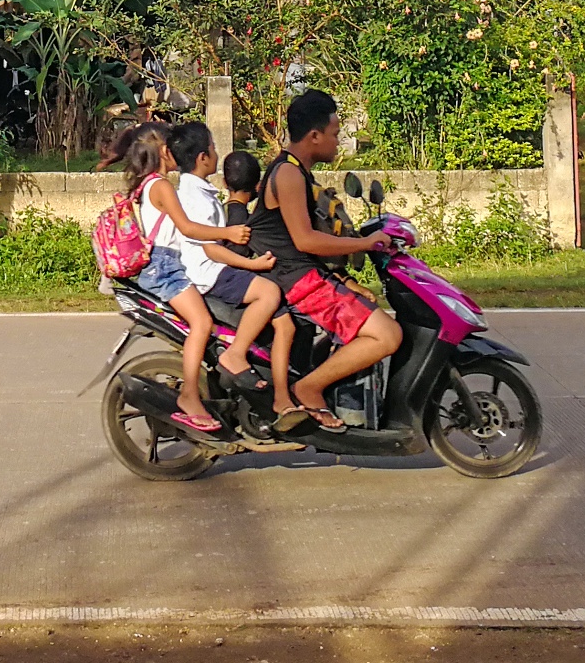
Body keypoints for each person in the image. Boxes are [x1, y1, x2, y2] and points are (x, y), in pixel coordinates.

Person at [250, 88, 402, 434]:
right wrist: (364, 242)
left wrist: (347, 280)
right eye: (334, 134)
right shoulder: (288, 175)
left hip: (304, 272)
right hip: (297, 279)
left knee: (368, 311)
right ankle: (309, 388)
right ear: (314, 135)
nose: (337, 142)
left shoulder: (297, 171)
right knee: (386, 335)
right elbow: (305, 239)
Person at [103, 121, 249, 436]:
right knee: (202, 324)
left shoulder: (147, 184)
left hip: (163, 265)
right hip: (164, 268)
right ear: (164, 152)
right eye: (172, 147)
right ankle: (190, 397)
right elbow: (187, 228)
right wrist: (227, 232)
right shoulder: (162, 185)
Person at [163, 125, 299, 423]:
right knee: (269, 292)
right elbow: (210, 248)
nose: (215, 153)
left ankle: (282, 397)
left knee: (283, 319)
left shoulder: (197, 190)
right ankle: (235, 354)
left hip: (211, 270)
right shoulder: (194, 196)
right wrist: (253, 266)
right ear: (202, 157)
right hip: (209, 274)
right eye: (213, 148)